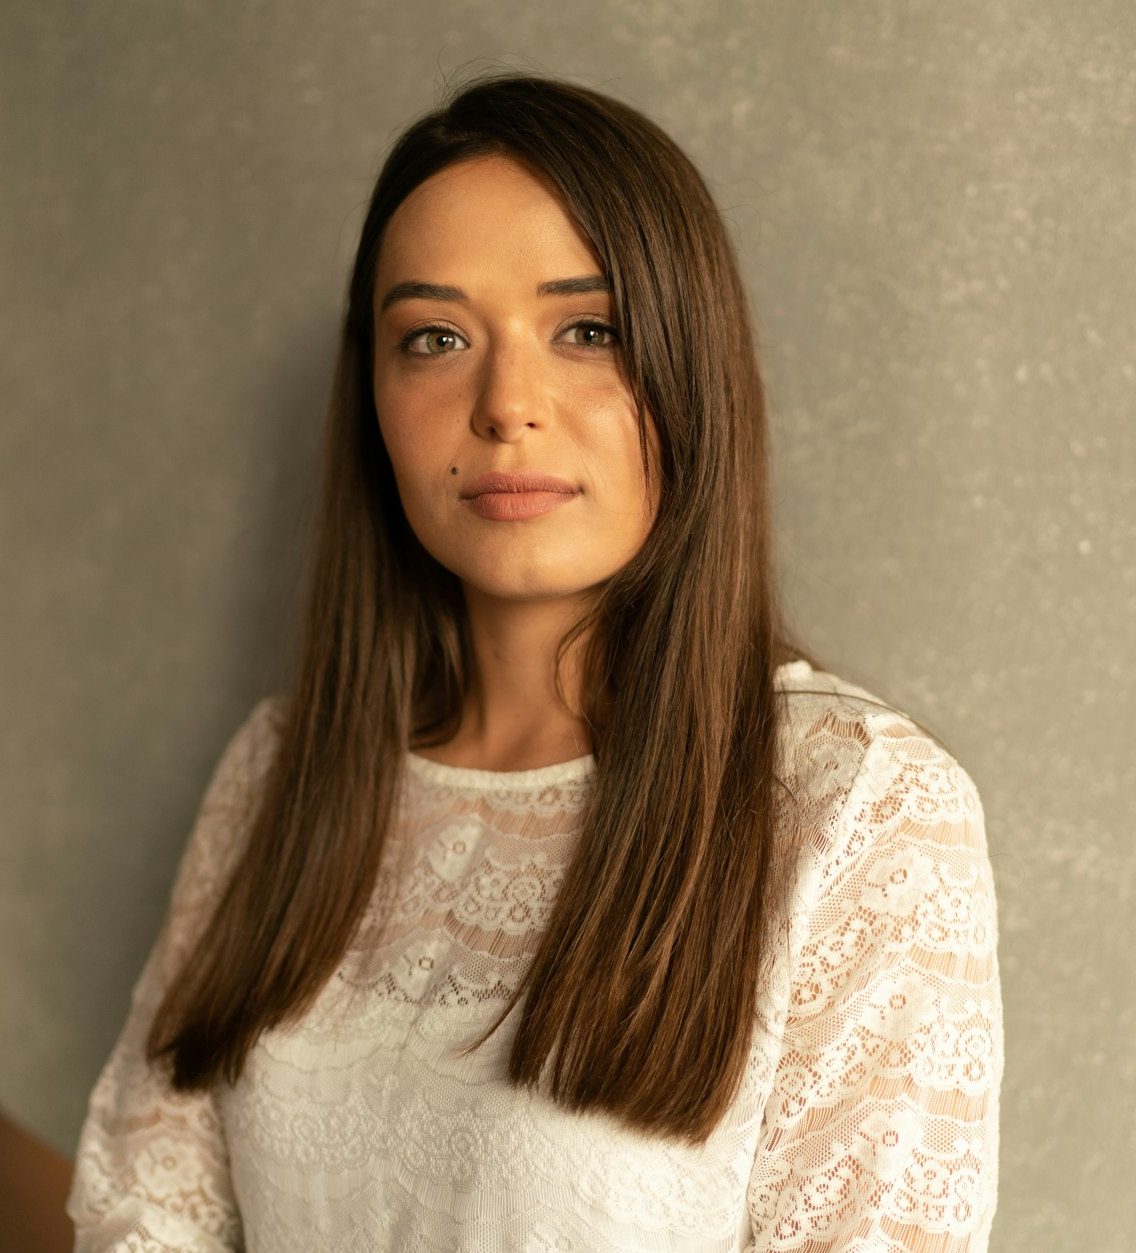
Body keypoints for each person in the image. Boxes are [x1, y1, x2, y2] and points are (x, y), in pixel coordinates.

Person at [66, 72, 1002, 1251]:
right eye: (436, 337)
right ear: (374, 398)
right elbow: (141, 1219)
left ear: (688, 365)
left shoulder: (852, 807)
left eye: (586, 329)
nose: (507, 404)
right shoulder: (281, 773)